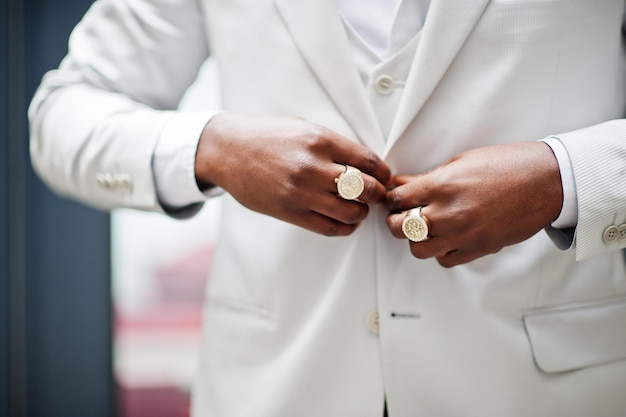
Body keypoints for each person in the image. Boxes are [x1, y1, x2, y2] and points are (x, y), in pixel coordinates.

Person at [29, 0, 626, 416]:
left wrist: (562, 178)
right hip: (274, 390)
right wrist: (212, 148)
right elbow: (61, 115)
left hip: (547, 392)